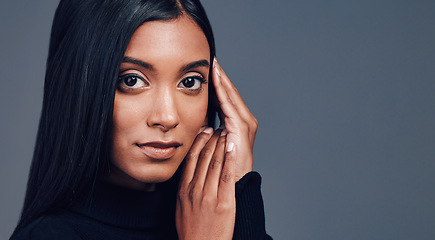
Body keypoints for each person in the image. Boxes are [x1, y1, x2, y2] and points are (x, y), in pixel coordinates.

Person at [11, 0, 271, 239]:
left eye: (189, 81)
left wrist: (240, 188)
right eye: (132, 80)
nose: (167, 117)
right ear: (81, 86)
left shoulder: (220, 216)